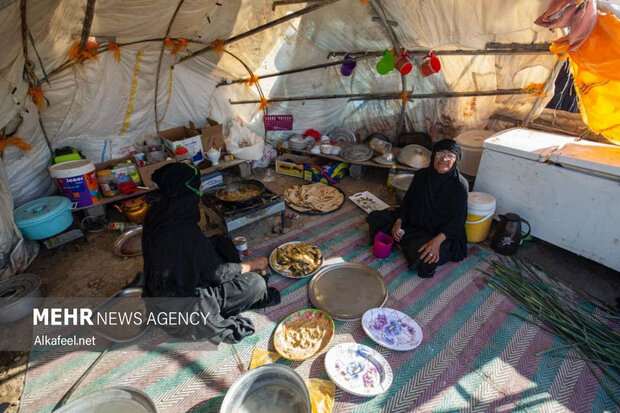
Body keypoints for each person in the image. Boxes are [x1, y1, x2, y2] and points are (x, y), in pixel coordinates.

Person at [142, 162, 280, 344]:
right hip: (186, 305)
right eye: (197, 188)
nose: (198, 192)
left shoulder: (157, 214)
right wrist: (252, 265)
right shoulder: (184, 232)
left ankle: (238, 274)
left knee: (219, 240)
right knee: (256, 284)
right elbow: (217, 274)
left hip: (170, 285)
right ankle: (240, 288)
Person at [367, 139, 468, 277]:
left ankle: (403, 244)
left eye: (450, 156)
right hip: (415, 223)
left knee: (427, 260)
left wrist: (437, 242)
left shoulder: (460, 186)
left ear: (456, 160)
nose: (444, 159)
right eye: (440, 154)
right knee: (376, 217)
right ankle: (404, 243)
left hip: (441, 234)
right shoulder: (422, 175)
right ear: (434, 156)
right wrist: (399, 221)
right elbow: (408, 202)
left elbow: (458, 221)